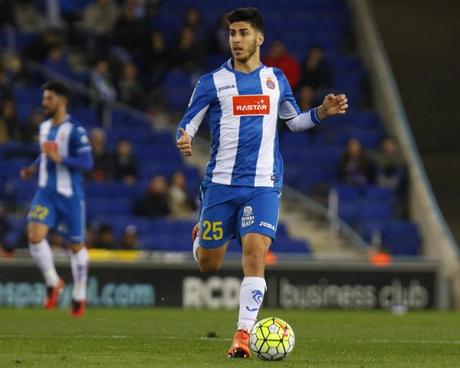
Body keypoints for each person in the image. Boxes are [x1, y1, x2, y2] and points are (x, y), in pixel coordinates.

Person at [176, 7, 348, 358]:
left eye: (242, 33)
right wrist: (184, 138)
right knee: (208, 264)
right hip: (221, 185)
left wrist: (321, 112)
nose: (236, 40)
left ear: (259, 38)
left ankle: (242, 335)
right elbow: (188, 122)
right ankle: (201, 239)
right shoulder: (212, 81)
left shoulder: (275, 79)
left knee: (255, 255)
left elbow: (294, 122)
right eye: (232, 33)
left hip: (263, 184)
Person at [20, 81, 94, 317]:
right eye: (44, 98)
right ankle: (53, 282)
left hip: (70, 195)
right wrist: (32, 168)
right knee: (34, 235)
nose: (44, 103)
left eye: (49, 98)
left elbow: (87, 162)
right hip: (45, 193)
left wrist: (61, 159)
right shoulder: (43, 128)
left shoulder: (75, 130)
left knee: (75, 246)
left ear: (62, 101)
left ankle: (80, 295)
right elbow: (45, 155)